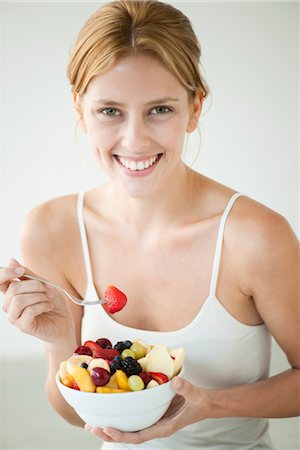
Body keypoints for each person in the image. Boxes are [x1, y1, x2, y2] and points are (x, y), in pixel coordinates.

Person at [1, 1, 299, 449]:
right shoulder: (50, 231)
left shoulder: (255, 237)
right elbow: (72, 411)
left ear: (195, 107)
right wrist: (62, 340)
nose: (135, 139)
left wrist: (211, 405)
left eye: (159, 109)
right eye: (110, 111)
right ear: (80, 110)